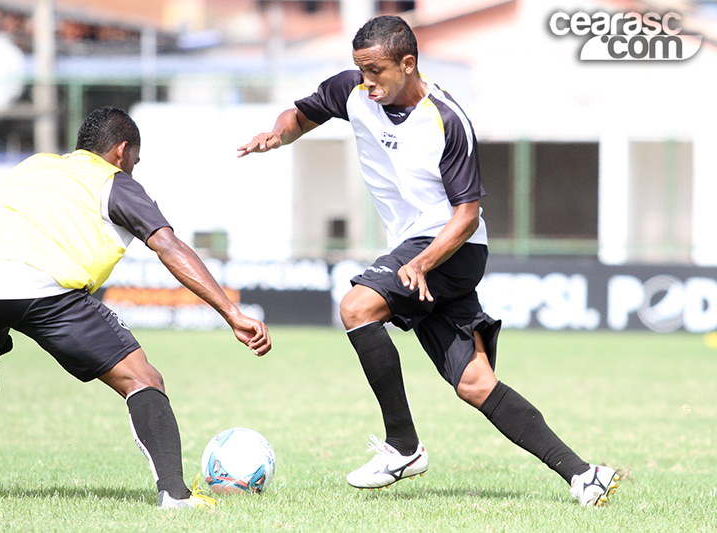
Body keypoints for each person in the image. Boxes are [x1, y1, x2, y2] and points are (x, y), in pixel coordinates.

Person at [238, 15, 618, 507]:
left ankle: (403, 446)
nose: (367, 81)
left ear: (408, 63)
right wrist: (277, 134)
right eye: (360, 70)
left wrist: (421, 263)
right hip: (417, 250)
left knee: (357, 307)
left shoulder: (447, 119)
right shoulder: (352, 91)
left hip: (450, 246)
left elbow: (467, 214)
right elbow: (301, 114)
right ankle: (585, 474)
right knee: (475, 383)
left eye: (376, 71)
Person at [0, 106, 272, 509]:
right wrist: (231, 313)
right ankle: (175, 494)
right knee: (142, 378)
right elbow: (168, 246)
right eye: (135, 161)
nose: (134, 168)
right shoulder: (113, 182)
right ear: (121, 150)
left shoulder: (31, 169)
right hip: (42, 286)